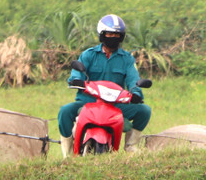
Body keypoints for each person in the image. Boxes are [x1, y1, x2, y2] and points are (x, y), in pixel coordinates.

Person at [57, 14, 151, 157]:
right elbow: (77, 72)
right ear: (102, 34)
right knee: (65, 111)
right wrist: (76, 80)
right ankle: (67, 153)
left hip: (115, 104)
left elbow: (133, 78)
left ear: (121, 37)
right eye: (109, 33)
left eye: (116, 34)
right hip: (87, 101)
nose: (113, 37)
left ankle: (131, 145)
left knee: (144, 111)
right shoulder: (88, 55)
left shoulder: (126, 58)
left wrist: (136, 93)